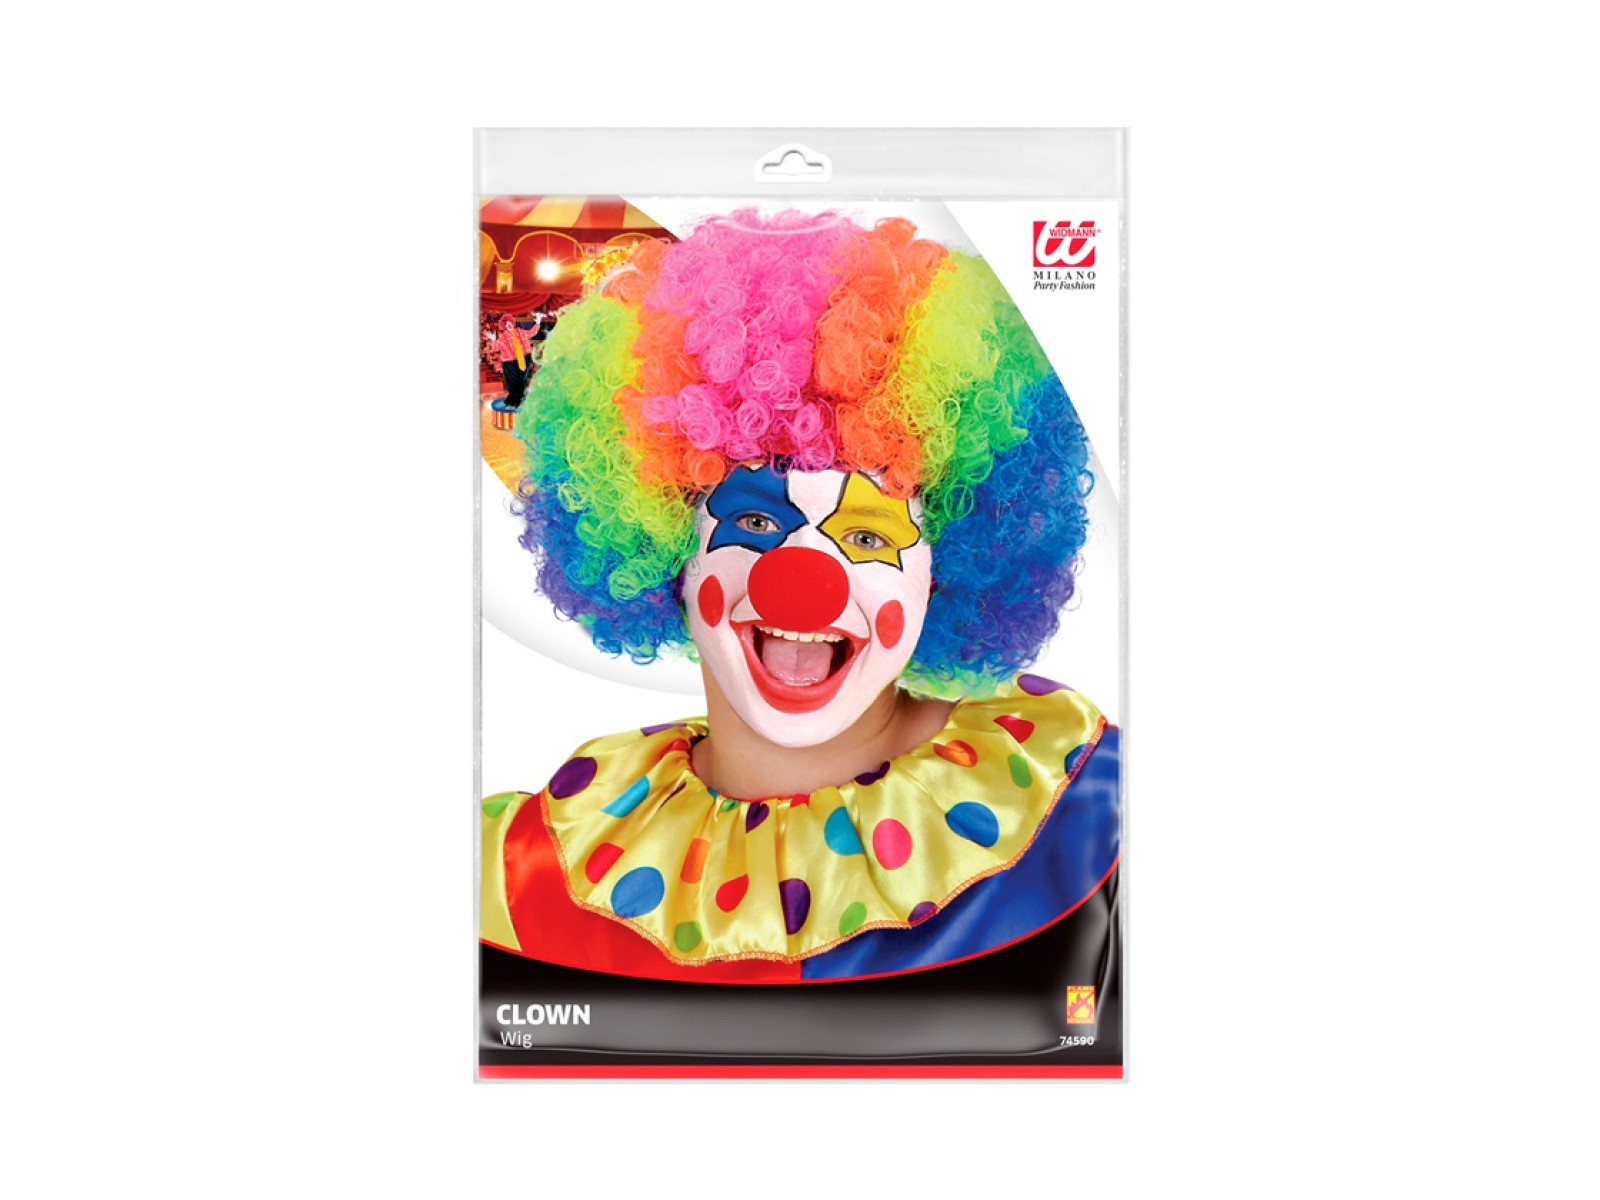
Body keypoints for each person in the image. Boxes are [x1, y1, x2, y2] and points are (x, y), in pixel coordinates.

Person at [481, 210, 1119, 983]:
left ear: (945, 571)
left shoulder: (1081, 809)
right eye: (756, 520)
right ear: (666, 547)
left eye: (869, 536)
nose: (806, 581)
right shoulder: (524, 874)